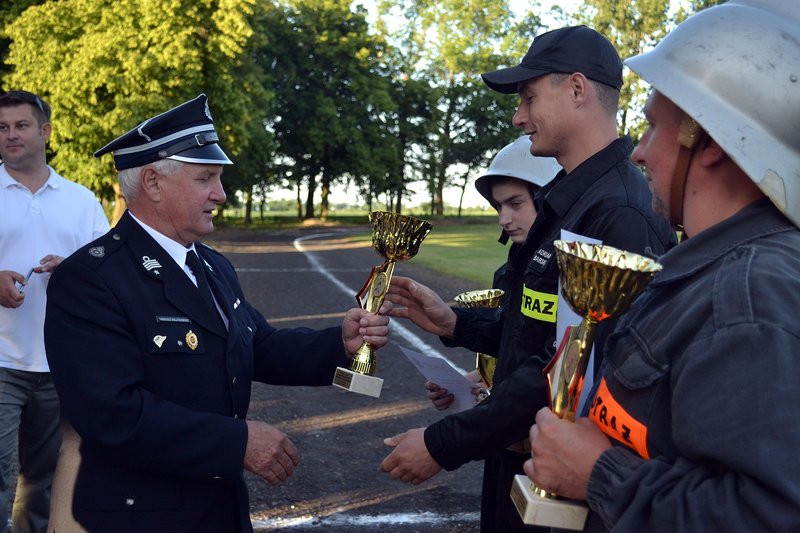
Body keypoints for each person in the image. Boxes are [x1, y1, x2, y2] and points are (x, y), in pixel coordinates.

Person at [42, 94, 390, 533]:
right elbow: (111, 413)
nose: (220, 195)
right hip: (139, 514)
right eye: (205, 178)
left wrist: (340, 342)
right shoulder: (91, 279)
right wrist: (238, 442)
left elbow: (256, 344)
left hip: (217, 506)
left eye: (218, 179)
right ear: (152, 183)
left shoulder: (209, 264)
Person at [379, 26, 677, 532]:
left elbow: (573, 369)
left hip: (568, 494)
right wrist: (457, 324)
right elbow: (542, 330)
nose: (519, 116)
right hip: (521, 460)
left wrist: (442, 443)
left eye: (529, 97)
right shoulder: (570, 197)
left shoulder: (620, 212)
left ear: (577, 90)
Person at [524, 1, 800, 531]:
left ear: (709, 139)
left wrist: (600, 474)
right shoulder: (711, 271)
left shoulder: (746, 297)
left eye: (652, 128)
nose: (640, 152)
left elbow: (770, 515)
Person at [0, 90, 109, 533]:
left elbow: (109, 273)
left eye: (21, 126)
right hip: (1, 359)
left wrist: (73, 272)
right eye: (2, 128)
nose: (10, 135)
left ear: (45, 131)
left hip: (59, 361)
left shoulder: (81, 201)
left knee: (42, 480)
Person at [427, 135, 561, 410]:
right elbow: (514, 351)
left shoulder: (571, 274)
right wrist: (474, 381)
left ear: (548, 198)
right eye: (499, 206)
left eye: (515, 204)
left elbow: (549, 364)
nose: (504, 219)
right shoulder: (508, 271)